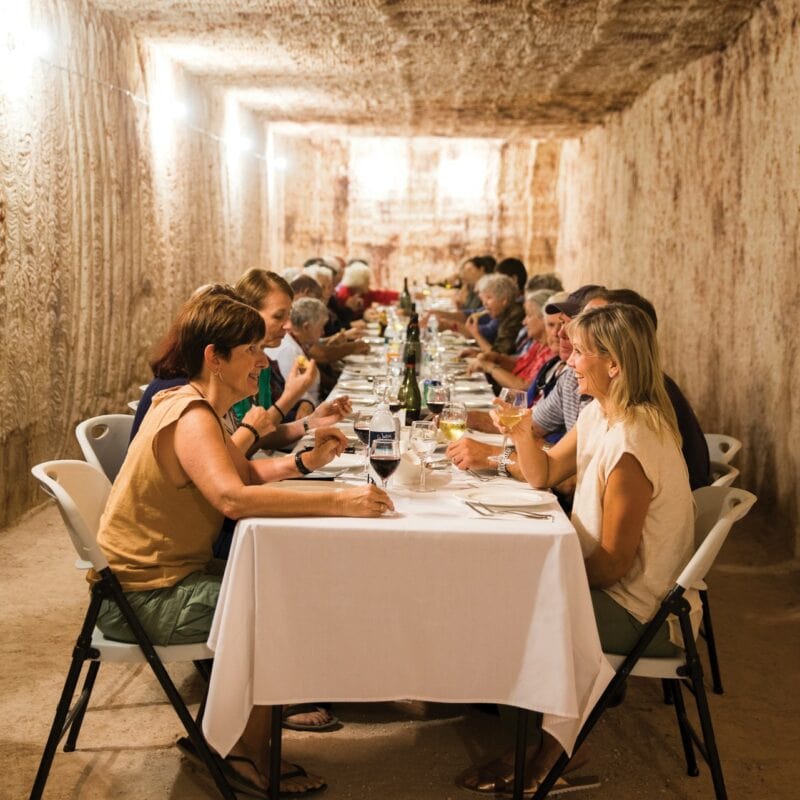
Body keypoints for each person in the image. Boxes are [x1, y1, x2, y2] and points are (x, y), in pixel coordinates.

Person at [94, 292, 393, 797]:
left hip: (162, 578)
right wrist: (340, 501)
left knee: (289, 584)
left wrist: (306, 464)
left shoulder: (196, 406)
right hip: (142, 596)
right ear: (215, 356)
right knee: (281, 608)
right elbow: (232, 498)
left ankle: (230, 738)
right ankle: (235, 751)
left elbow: (246, 470)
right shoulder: (190, 415)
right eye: (251, 349)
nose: (262, 360)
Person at [458, 302, 697, 795]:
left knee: (507, 609)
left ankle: (558, 747)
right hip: (612, 588)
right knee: (497, 594)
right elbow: (543, 473)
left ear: (614, 364)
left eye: (580, 352)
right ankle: (539, 736)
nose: (569, 361)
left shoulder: (633, 441)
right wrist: (522, 432)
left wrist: (544, 576)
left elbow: (613, 566)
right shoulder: (598, 416)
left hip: (641, 610)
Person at [468, 289, 555, 390]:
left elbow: (524, 386)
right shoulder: (539, 344)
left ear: (544, 319)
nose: (524, 322)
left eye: (529, 315)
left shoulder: (552, 352)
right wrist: (497, 358)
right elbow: (519, 365)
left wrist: (490, 367)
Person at [266, 297, 330, 411]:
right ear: (306, 327)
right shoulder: (287, 349)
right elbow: (295, 393)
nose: (323, 332)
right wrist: (308, 402)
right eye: (321, 327)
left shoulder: (298, 342)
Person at [463, 274, 525, 357]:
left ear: (504, 300)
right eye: (483, 299)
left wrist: (476, 334)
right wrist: (478, 352)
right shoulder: (504, 313)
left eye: (489, 298)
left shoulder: (515, 315)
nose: (484, 304)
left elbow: (499, 356)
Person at [331, 260, 399, 325]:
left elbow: (381, 295)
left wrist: (400, 296)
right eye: (367, 280)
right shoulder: (344, 295)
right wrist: (364, 315)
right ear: (360, 281)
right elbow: (345, 319)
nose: (369, 282)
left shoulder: (362, 292)